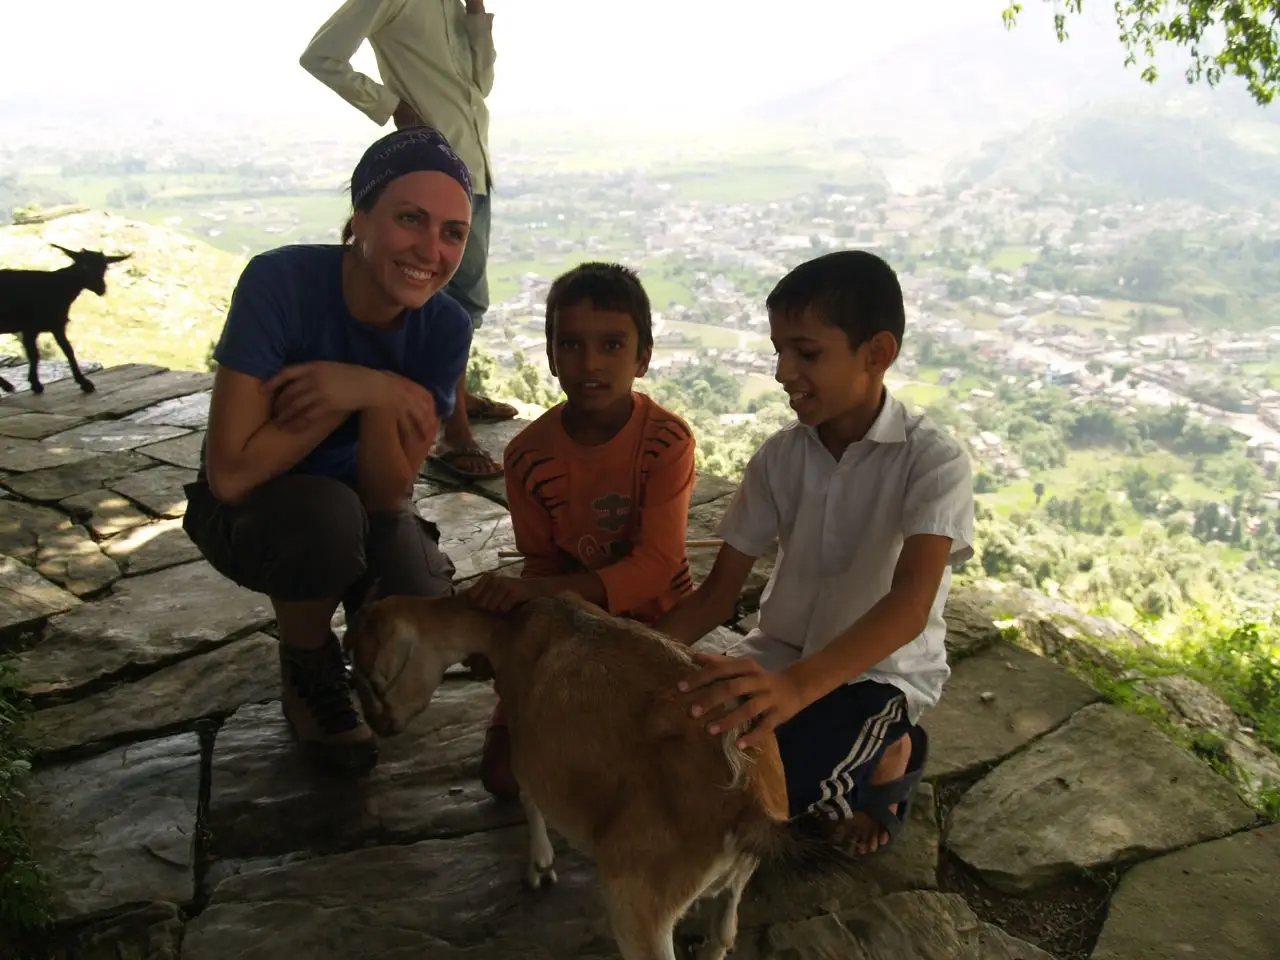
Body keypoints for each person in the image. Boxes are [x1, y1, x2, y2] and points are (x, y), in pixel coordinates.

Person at [653, 250, 975, 856]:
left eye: (806, 353)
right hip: (778, 657)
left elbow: (910, 607)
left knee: (757, 805)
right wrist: (634, 658)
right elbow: (718, 595)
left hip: (877, 675)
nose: (782, 371)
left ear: (877, 353)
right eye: (778, 350)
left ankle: (893, 750)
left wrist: (797, 691)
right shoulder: (781, 457)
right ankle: (839, 749)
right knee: (672, 755)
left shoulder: (932, 462)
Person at [182, 126, 478, 780]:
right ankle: (307, 661)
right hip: (257, 512)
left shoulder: (445, 326)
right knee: (324, 518)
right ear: (360, 219)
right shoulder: (280, 283)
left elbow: (387, 495)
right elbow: (229, 474)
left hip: (356, 510)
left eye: (452, 232)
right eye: (410, 219)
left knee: (419, 593)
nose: (431, 249)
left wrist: (370, 393)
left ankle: (343, 623)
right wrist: (359, 393)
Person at [466, 261, 698, 798]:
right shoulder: (527, 456)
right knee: (503, 776)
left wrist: (535, 594)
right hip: (569, 630)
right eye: (570, 345)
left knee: (667, 765)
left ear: (643, 357)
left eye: (612, 345)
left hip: (660, 628)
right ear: (550, 356)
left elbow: (656, 567)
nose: (590, 362)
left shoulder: (665, 442)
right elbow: (542, 563)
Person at [300, 0, 517, 484]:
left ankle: (454, 394)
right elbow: (321, 56)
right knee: (441, 299)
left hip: (473, 171)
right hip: (431, 173)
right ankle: (451, 432)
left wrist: (476, 13)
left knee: (466, 300)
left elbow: (479, 85)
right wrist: (391, 106)